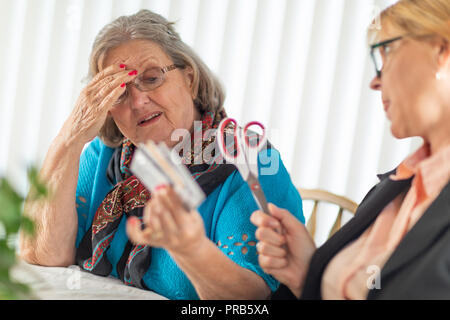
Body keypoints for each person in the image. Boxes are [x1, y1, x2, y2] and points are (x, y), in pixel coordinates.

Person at [19, 10, 304, 300]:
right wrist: (70, 138)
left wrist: (189, 249)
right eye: (118, 92)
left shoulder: (251, 161)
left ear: (189, 78)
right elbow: (43, 253)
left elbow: (247, 299)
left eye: (152, 78)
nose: (139, 100)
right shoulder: (106, 154)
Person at [251, 0, 450, 299]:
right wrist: (308, 275)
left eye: (385, 52)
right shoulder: (392, 189)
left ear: (441, 51)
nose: (375, 81)